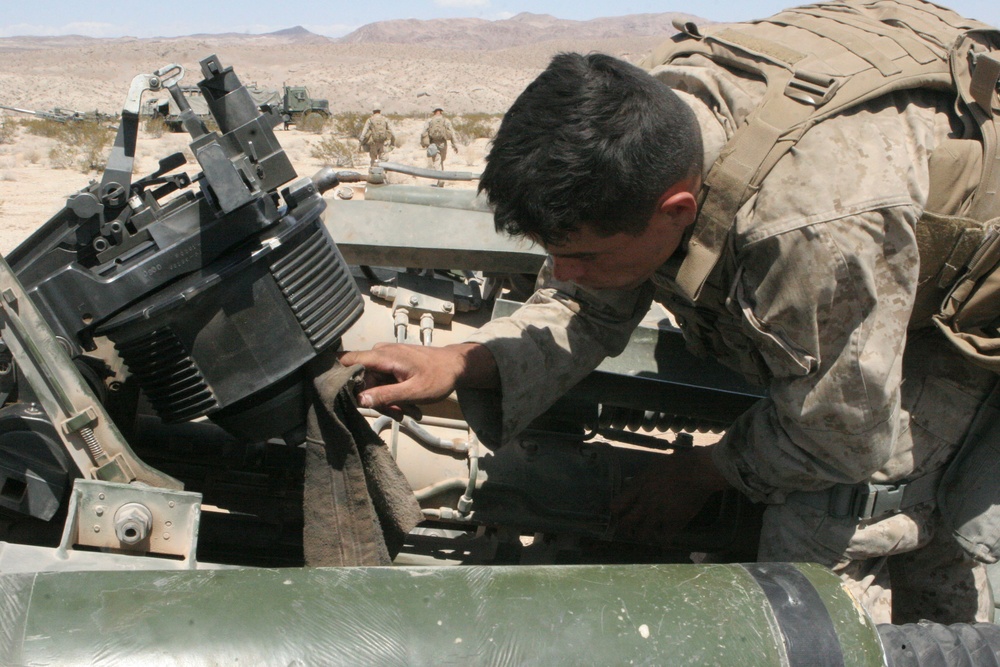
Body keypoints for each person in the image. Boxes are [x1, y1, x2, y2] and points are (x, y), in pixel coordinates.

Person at [341, 11, 998, 624]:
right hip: (874, 251)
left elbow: (843, 430)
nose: (564, 272)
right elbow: (584, 305)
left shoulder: (812, 229)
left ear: (678, 211)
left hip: (961, 306)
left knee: (825, 535)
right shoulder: (641, 136)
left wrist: (703, 472)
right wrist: (465, 358)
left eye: (583, 256)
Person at [420, 106, 459, 184]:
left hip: (433, 143)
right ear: (441, 111)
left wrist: (423, 143)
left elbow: (423, 132)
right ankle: (441, 179)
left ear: (434, 112)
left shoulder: (430, 120)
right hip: (443, 144)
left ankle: (441, 179)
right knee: (441, 161)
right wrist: (455, 145)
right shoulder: (446, 121)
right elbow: (452, 133)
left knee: (437, 161)